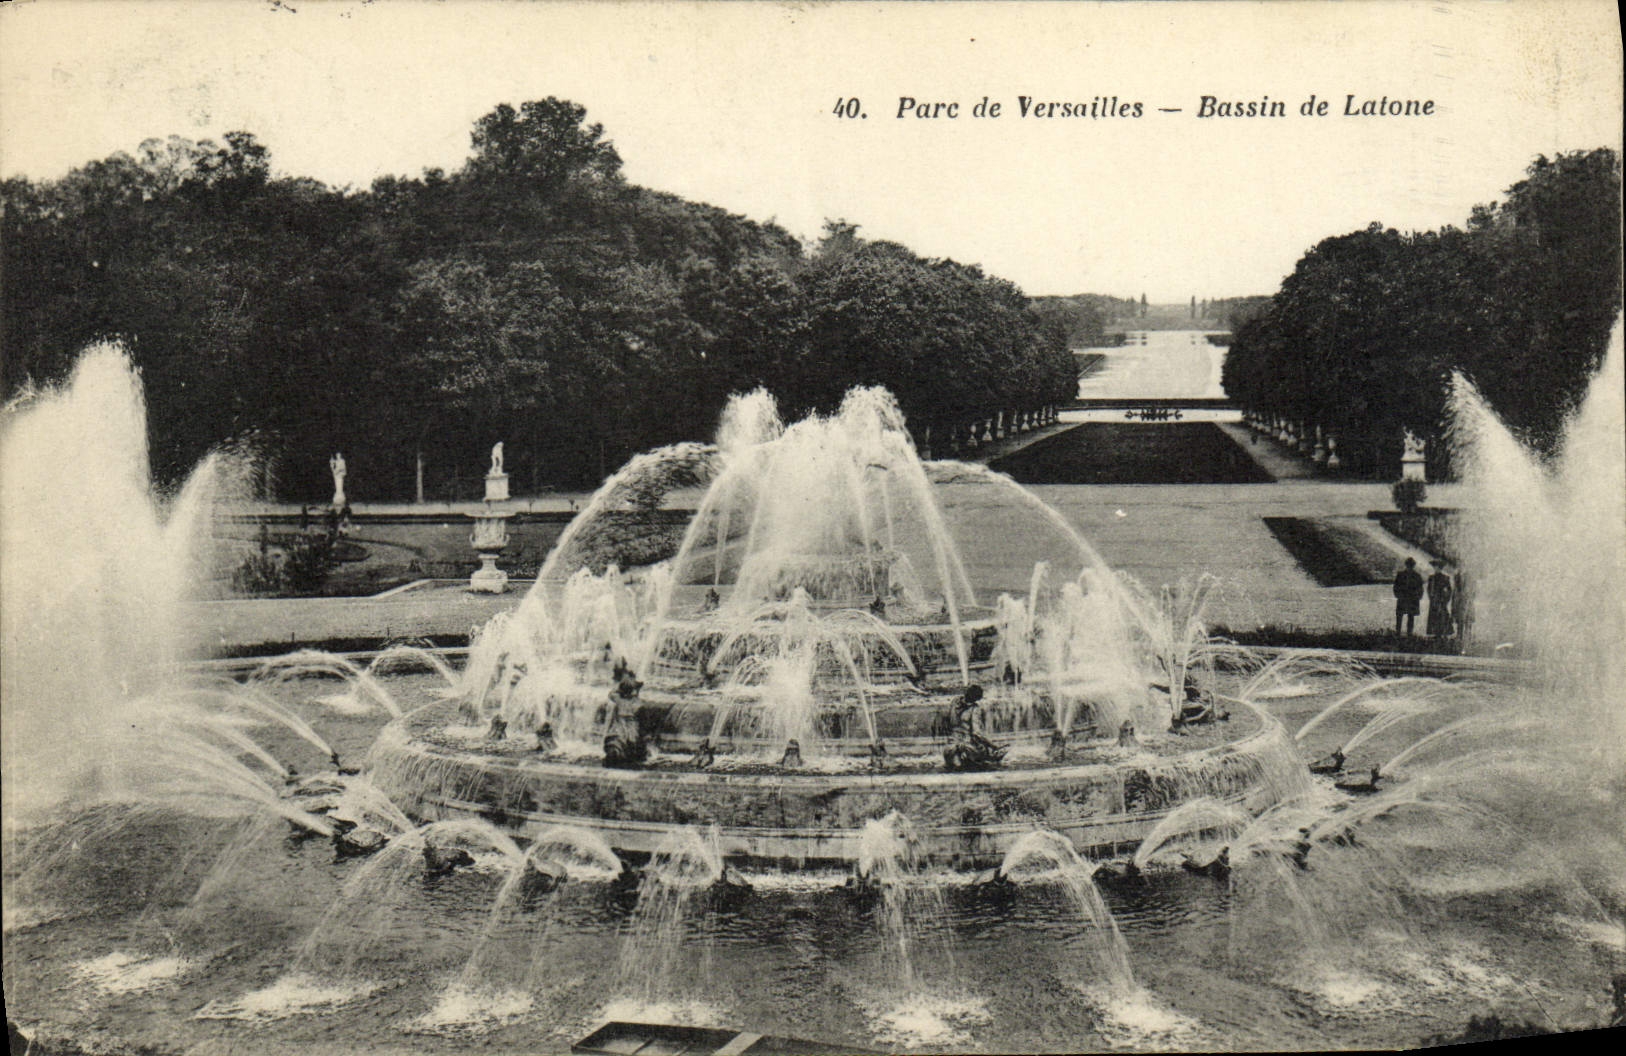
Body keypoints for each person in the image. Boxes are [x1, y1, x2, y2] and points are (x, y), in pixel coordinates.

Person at [943, 685, 1006, 772]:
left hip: (950, 747)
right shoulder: (975, 709)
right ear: (976, 699)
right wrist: (993, 745)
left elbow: (947, 720)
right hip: (966, 747)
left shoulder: (955, 701)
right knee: (985, 754)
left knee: (956, 767)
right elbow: (977, 733)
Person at [602, 673, 648, 768]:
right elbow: (643, 722)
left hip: (618, 729)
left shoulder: (618, 699)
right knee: (634, 744)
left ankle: (616, 755)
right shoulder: (638, 704)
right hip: (631, 730)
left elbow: (611, 694)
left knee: (616, 742)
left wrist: (619, 688)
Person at [1393, 557, 1424, 637]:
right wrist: (1398, 595)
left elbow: (1420, 588)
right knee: (1400, 616)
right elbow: (1396, 586)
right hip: (1403, 598)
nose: (1409, 567)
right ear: (1406, 565)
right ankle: (1398, 632)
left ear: (1413, 566)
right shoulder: (1401, 575)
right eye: (1408, 565)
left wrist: (1418, 597)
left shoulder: (1417, 576)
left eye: (1411, 566)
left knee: (1410, 616)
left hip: (1411, 599)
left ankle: (1409, 633)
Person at [1425, 564, 1454, 639]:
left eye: (1438, 568)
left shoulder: (1445, 578)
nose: (1436, 569)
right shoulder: (1431, 578)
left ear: (1440, 568)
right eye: (1435, 567)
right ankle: (1435, 633)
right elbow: (1428, 589)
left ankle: (1444, 633)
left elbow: (1449, 590)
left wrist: (1446, 599)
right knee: (1434, 616)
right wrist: (1431, 597)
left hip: (1441, 600)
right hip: (1434, 600)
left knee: (1443, 617)